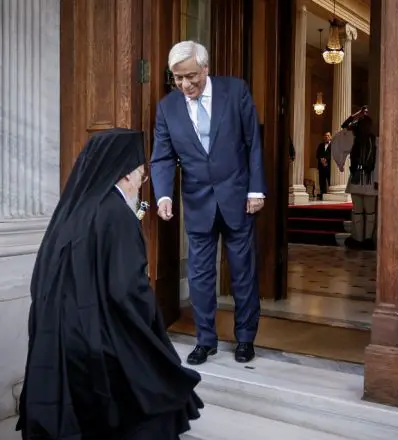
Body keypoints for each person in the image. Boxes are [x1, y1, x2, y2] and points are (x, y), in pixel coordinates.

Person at [17, 128, 204, 440]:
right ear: (127, 176)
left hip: (61, 339)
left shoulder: (73, 210)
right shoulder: (118, 214)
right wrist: (151, 328)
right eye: (143, 176)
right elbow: (126, 289)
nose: (142, 185)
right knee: (148, 387)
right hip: (97, 338)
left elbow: (41, 278)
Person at [150, 41, 265, 365]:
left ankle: (245, 338)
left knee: (242, 272)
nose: (186, 85)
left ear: (205, 69)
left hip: (238, 197)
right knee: (200, 276)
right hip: (198, 201)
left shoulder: (236, 91)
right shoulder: (168, 107)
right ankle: (205, 339)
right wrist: (163, 195)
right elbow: (161, 157)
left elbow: (252, 143)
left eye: (191, 76)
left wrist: (256, 190)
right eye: (178, 78)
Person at [331, 106, 378, 250]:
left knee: (358, 211)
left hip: (358, 180)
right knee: (369, 212)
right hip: (370, 181)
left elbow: (341, 132)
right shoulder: (376, 141)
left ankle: (359, 239)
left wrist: (354, 117)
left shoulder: (353, 139)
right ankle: (367, 239)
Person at [315, 132, 332, 198]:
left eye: (328, 135)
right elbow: (317, 154)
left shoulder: (333, 145)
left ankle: (331, 195)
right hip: (321, 166)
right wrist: (321, 159)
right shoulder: (320, 145)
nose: (326, 137)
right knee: (321, 181)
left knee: (329, 180)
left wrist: (326, 160)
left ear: (330, 137)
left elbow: (333, 154)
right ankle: (323, 194)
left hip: (329, 166)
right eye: (325, 135)